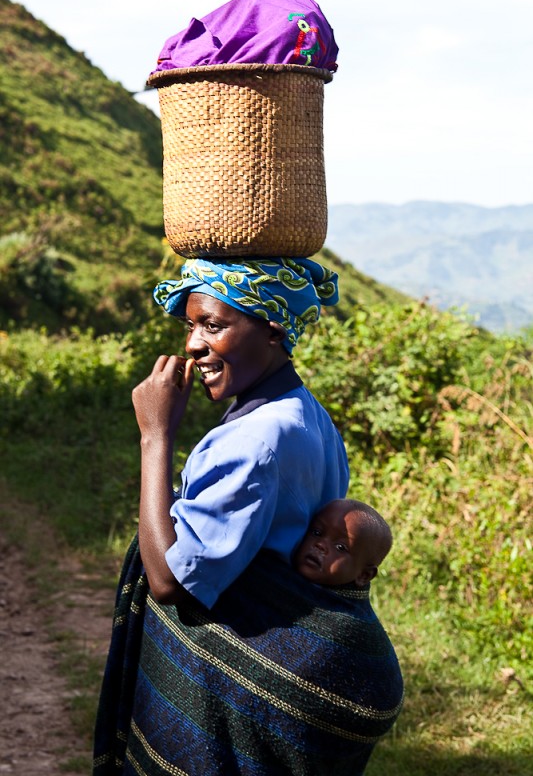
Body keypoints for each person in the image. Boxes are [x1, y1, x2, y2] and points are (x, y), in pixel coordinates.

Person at [93, 256, 403, 776]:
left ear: (274, 332)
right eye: (191, 325)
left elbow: (170, 580)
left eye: (213, 325)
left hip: (232, 685)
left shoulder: (257, 441)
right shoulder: (308, 416)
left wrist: (155, 435)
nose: (193, 344)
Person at [294, 498, 393, 588]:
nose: (320, 545)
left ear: (363, 575)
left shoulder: (341, 607)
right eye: (317, 533)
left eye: (340, 547)